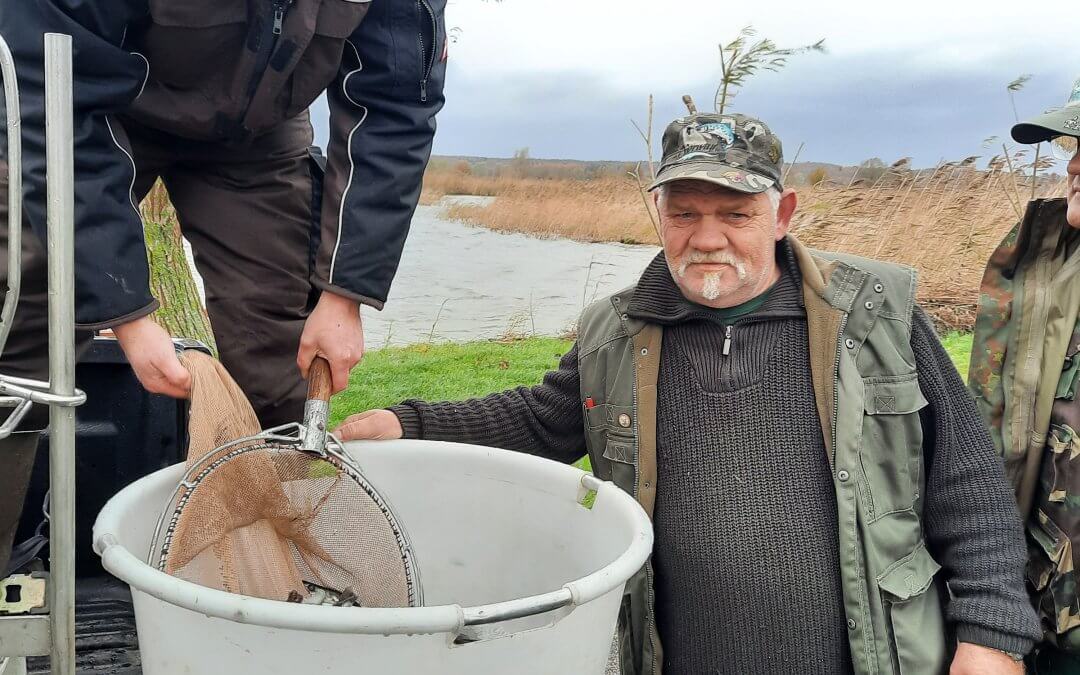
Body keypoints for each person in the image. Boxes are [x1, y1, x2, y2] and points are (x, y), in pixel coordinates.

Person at [337, 112, 1041, 674]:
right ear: (658, 214)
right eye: (684, 214)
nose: (707, 238)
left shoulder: (877, 313)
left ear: (783, 213)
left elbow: (968, 481)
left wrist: (992, 634)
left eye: (735, 214)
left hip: (873, 654)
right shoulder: (615, 331)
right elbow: (541, 420)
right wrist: (407, 424)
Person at [0, 0, 446, 577]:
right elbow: (47, 88)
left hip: (259, 130)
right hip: (95, 105)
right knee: (23, 306)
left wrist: (344, 296)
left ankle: (273, 575)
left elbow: (395, 106)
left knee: (278, 348)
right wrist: (126, 313)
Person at [969, 76, 1080, 673]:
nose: (1074, 167)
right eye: (1074, 148)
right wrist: (993, 613)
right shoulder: (1040, 262)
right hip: (1048, 619)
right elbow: (994, 449)